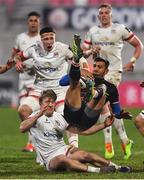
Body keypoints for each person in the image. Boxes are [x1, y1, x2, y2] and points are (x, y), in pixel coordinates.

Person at [82, 3, 143, 159]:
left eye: (106, 12)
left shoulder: (120, 29)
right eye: (101, 12)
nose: (103, 15)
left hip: (113, 72)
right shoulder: (92, 31)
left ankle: (108, 143)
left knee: (101, 102)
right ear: (98, 16)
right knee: (104, 105)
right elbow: (83, 51)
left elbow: (138, 45)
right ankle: (125, 140)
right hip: (97, 74)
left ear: (111, 15)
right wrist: (90, 51)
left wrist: (132, 61)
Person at [19, 89, 132, 173]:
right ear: (40, 104)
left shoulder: (60, 117)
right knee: (63, 159)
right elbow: (22, 128)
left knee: (85, 155)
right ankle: (98, 170)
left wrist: (103, 125)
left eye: (52, 102)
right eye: (47, 102)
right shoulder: (35, 117)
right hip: (50, 159)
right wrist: (39, 113)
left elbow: (84, 131)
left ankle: (118, 167)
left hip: (63, 149)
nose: (50, 104)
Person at [14, 27, 90, 150]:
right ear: (41, 39)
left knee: (68, 117)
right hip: (40, 90)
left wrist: (85, 70)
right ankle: (39, 141)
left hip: (59, 90)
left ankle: (73, 147)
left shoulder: (63, 48)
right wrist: (17, 62)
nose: (49, 41)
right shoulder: (34, 48)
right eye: (46, 39)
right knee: (23, 110)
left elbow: (80, 58)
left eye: (51, 38)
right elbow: (18, 56)